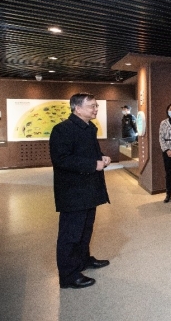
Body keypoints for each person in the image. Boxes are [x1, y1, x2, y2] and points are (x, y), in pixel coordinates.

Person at [49, 92, 111, 289]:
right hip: (73, 192)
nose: (96, 109)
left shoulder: (88, 127)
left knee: (85, 229)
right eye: (92, 106)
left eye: (96, 105)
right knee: (71, 234)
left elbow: (87, 153)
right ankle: (68, 276)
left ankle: (83, 260)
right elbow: (61, 159)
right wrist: (93, 164)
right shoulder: (62, 130)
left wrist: (102, 157)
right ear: (77, 108)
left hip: (89, 190)